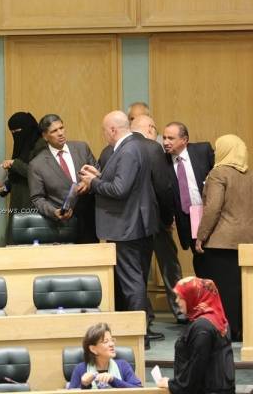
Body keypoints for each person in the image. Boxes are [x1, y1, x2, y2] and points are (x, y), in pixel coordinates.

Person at [80, 111, 158, 348]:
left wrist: (93, 182)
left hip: (126, 226)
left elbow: (119, 190)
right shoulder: (136, 145)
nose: (104, 135)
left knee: (132, 282)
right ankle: (139, 333)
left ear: (113, 130)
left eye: (105, 130)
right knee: (136, 280)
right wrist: (100, 176)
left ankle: (138, 336)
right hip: (135, 224)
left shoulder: (128, 150)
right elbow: (123, 182)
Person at [194, 134, 253, 341]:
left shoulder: (218, 173)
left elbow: (213, 208)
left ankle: (226, 332)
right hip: (251, 242)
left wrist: (201, 236)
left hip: (221, 242)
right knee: (245, 289)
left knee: (224, 290)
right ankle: (244, 330)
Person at [131, 115, 186, 334]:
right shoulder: (154, 150)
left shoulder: (119, 149)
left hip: (131, 223)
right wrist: (168, 217)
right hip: (157, 221)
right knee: (169, 266)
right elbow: (163, 189)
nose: (164, 140)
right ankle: (181, 311)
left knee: (137, 272)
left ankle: (144, 318)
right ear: (151, 129)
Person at [157, 277, 235, 393]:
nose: (177, 301)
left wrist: (172, 384)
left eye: (180, 297)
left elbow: (197, 367)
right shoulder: (216, 318)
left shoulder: (202, 327)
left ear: (192, 296)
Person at [28, 113, 98, 243]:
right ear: (45, 136)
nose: (60, 133)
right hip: (62, 225)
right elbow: (37, 198)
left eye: (61, 128)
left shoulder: (82, 148)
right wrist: (53, 212)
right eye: (54, 131)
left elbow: (97, 172)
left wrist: (89, 183)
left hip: (89, 220)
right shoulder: (37, 164)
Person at [163, 122, 214, 277]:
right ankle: (202, 289)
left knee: (213, 256)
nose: (166, 142)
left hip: (209, 213)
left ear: (184, 140)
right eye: (164, 138)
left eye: (171, 138)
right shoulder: (162, 161)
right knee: (199, 257)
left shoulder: (203, 150)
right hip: (186, 217)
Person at [68, 322, 142, 389]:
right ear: (93, 349)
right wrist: (84, 385)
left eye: (112, 340)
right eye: (106, 341)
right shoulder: (80, 369)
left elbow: (139, 390)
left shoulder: (123, 365)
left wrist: (113, 380)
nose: (112, 344)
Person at [0, 111, 40, 211]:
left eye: (17, 131)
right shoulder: (21, 146)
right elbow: (16, 179)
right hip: (18, 205)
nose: (15, 135)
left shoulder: (41, 146)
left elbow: (38, 173)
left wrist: (14, 163)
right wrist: (3, 188)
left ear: (27, 128)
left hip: (34, 206)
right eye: (12, 132)